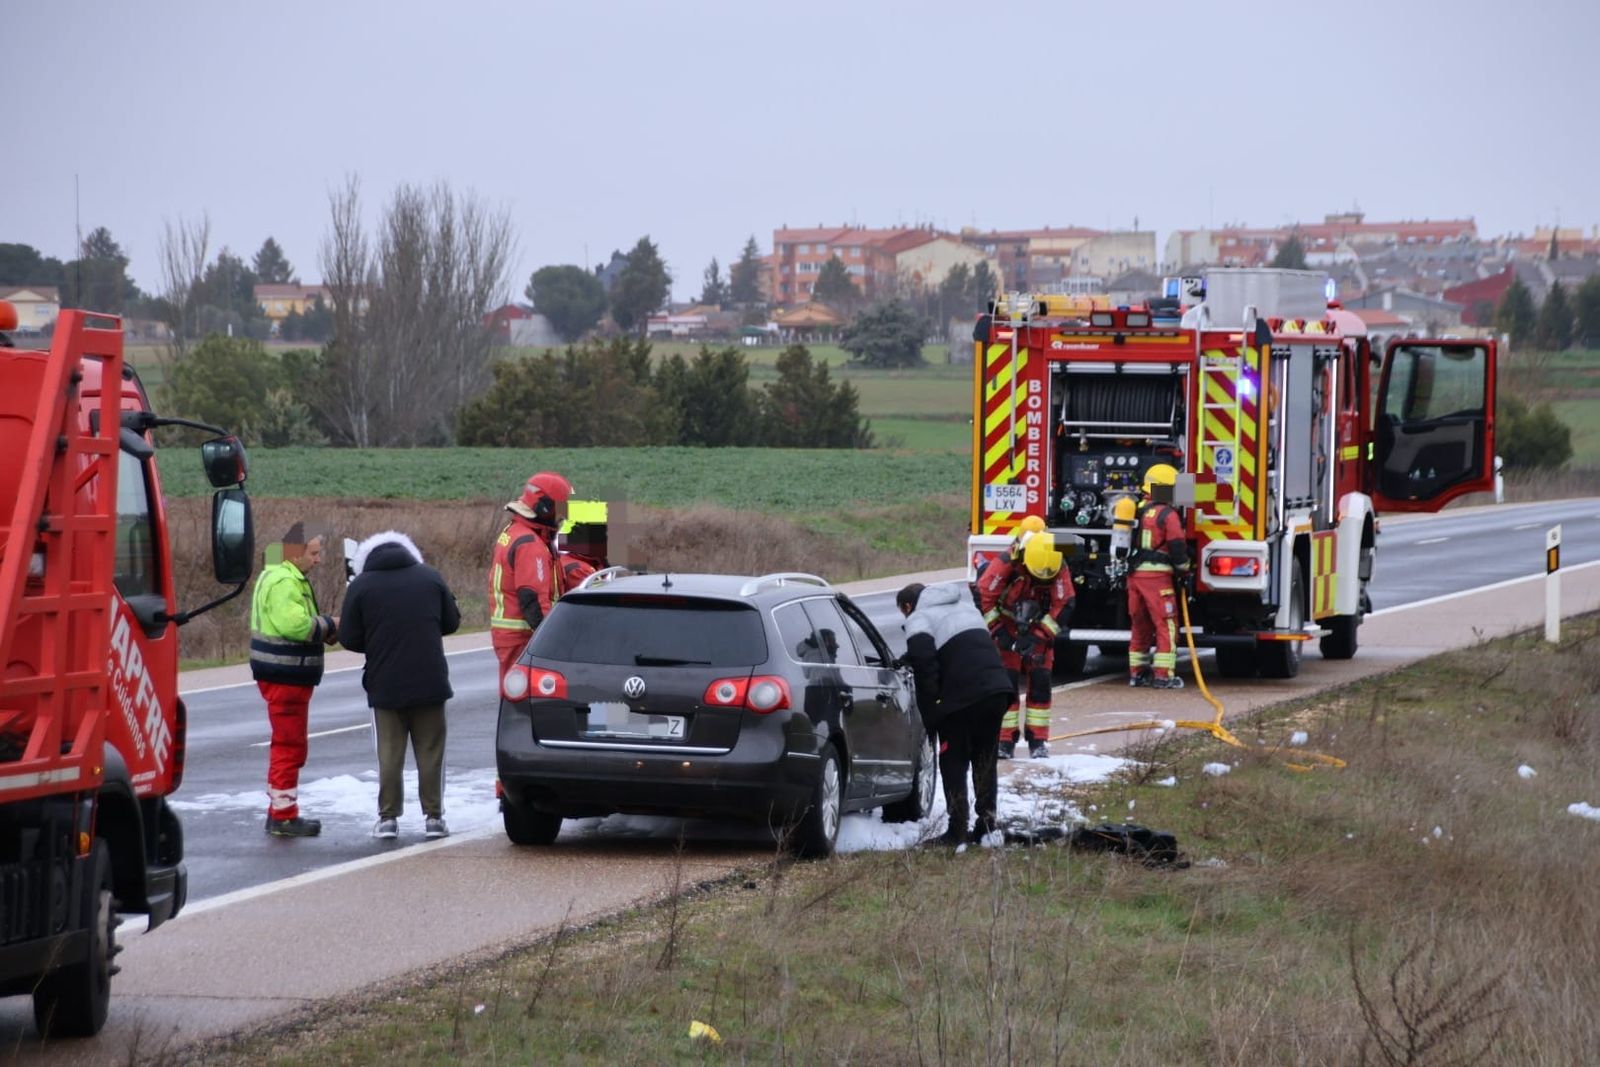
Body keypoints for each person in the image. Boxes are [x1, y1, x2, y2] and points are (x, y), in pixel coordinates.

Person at [338, 531, 461, 840]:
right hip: (430, 679)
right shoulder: (431, 578)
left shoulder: (362, 585)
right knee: (431, 751)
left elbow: (349, 638)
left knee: (389, 754)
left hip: (385, 683)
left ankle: (388, 818)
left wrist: (375, 640)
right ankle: (434, 817)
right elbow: (452, 622)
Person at [898, 582, 1017, 847]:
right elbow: (960, 648)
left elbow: (925, 668)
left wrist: (932, 719)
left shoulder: (919, 617)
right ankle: (987, 825)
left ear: (907, 607)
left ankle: (956, 831)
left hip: (964, 697)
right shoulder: (964, 608)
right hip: (997, 691)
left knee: (953, 761)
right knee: (985, 759)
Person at [250, 523, 338, 837]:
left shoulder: (273, 574)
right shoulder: (285, 580)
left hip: (281, 675)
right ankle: (283, 816)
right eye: (313, 553)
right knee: (289, 746)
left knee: (288, 744)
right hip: (286, 676)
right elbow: (296, 625)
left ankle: (280, 809)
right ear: (295, 552)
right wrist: (329, 624)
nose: (317, 560)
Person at [978, 533, 1075, 760]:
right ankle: (1004, 741)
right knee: (1006, 687)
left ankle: (1038, 741)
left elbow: (1064, 603)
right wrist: (999, 633)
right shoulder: (1007, 563)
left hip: (1038, 629)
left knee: (1041, 683)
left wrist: (1039, 635)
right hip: (1007, 627)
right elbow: (984, 597)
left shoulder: (1057, 563)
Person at [489, 472, 572, 680]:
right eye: (560, 508)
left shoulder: (515, 530)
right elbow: (533, 600)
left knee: (514, 702)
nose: (563, 516)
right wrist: (552, 642)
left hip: (513, 639)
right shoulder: (530, 544)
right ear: (545, 507)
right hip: (524, 640)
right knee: (525, 705)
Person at [1126, 464, 1190, 689]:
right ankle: (1163, 675)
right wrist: (1184, 569)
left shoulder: (1135, 509)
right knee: (1166, 625)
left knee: (1140, 625)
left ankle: (1137, 674)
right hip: (1157, 579)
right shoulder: (1168, 514)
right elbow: (1177, 545)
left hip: (1134, 577)